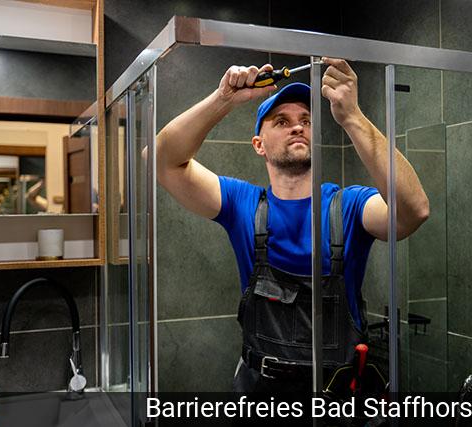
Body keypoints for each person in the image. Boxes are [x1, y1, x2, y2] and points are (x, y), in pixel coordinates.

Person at [156, 58, 430, 393]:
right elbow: (163, 160)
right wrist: (222, 100)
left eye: (306, 120)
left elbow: (413, 211)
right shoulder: (243, 204)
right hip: (260, 397)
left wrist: (352, 116)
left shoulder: (349, 206)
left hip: (336, 399)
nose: (297, 127)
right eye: (282, 121)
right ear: (259, 144)